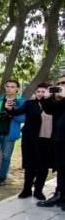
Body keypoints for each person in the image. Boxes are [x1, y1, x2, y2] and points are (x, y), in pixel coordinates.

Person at [6, 83, 53, 201]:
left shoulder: (54, 105)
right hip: (31, 139)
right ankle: (26, 189)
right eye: (38, 91)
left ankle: (38, 191)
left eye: (43, 91)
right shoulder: (29, 104)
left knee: (43, 166)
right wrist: (10, 109)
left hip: (47, 140)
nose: (40, 94)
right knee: (30, 165)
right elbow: (16, 112)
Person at [36, 75, 65, 209]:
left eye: (63, 83)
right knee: (61, 167)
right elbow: (51, 110)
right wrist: (47, 98)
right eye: (58, 83)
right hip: (59, 138)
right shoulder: (60, 99)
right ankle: (60, 195)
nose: (60, 85)